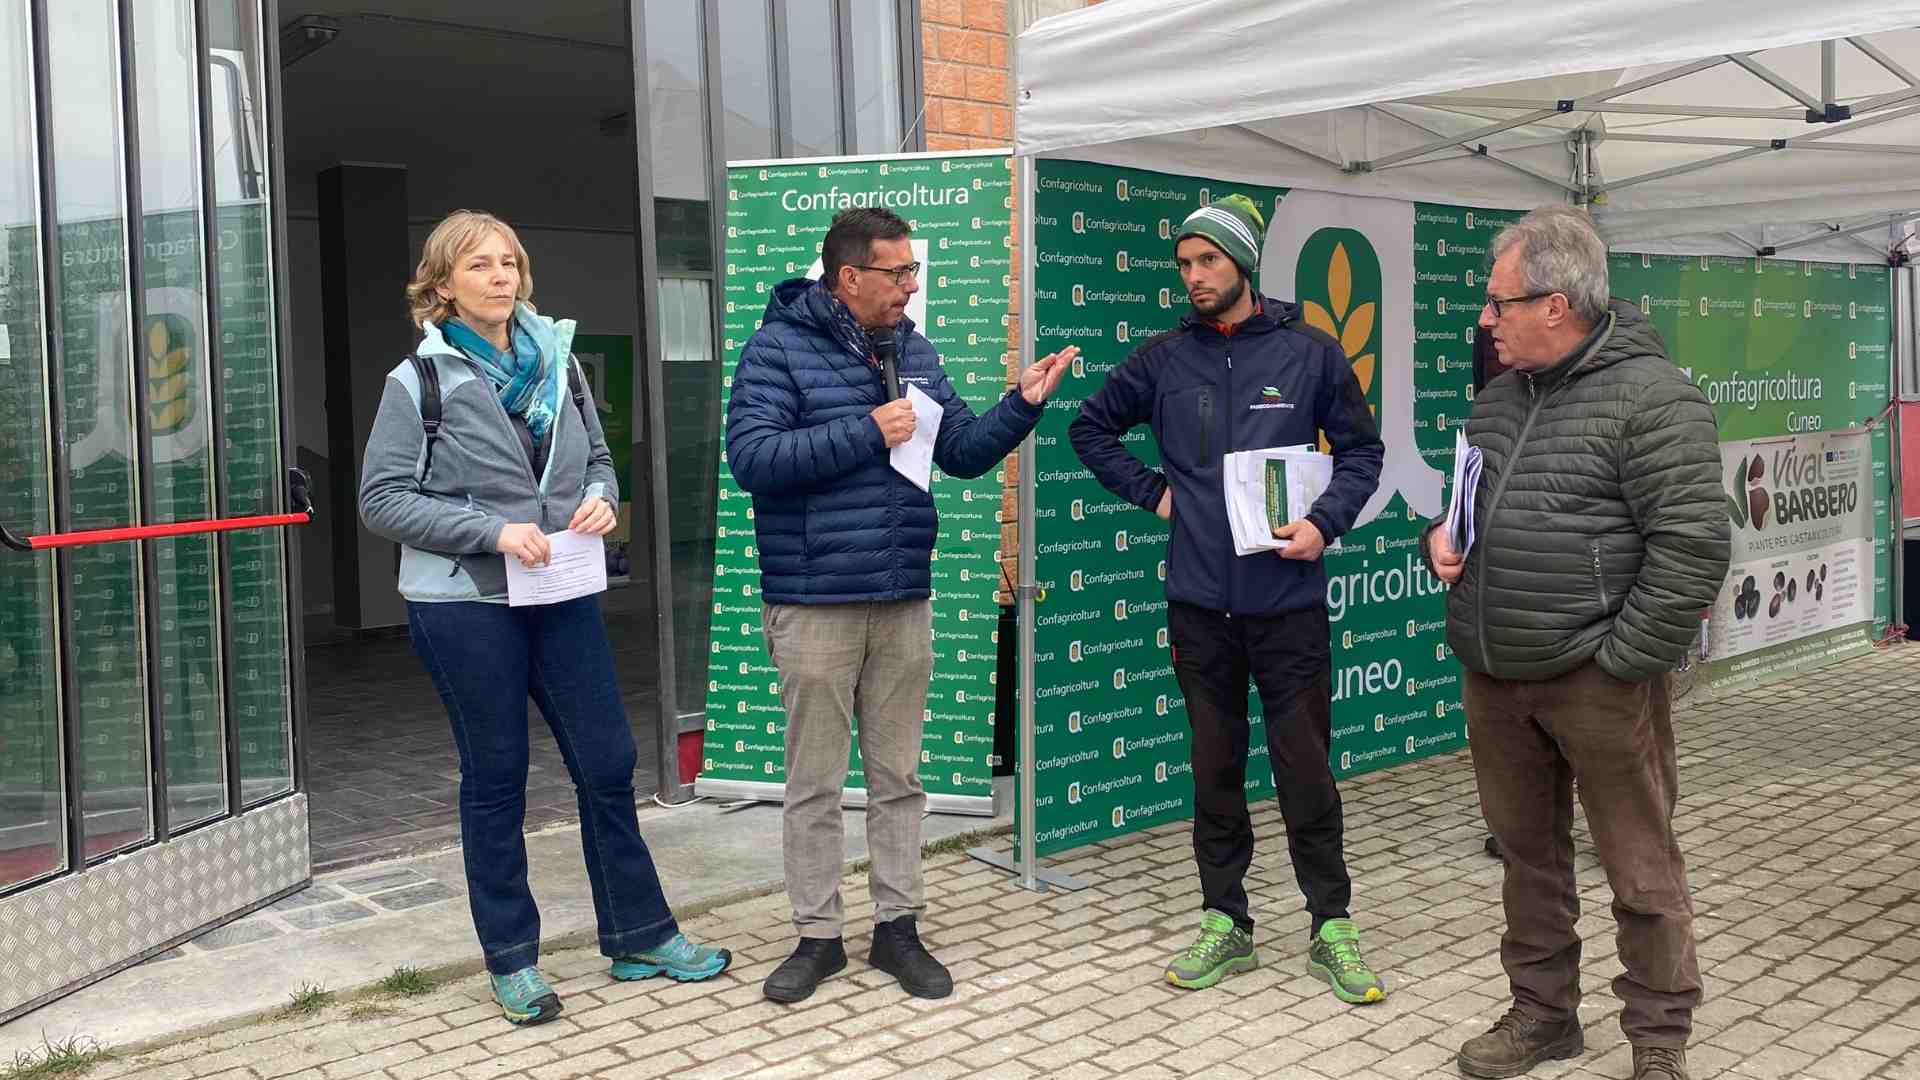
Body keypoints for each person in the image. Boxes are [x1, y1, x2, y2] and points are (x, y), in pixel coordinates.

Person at [360, 210, 730, 1027]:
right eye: (480, 265)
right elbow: (381, 499)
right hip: (465, 606)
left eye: (509, 262)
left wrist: (601, 499)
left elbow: (597, 459)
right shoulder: (417, 382)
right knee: (497, 777)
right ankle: (512, 961)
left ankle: (639, 935)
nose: (501, 276)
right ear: (442, 284)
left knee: (608, 761)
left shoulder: (559, 365)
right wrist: (490, 532)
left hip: (559, 591)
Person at [727, 207, 1074, 1004]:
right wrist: (865, 430)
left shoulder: (912, 349)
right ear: (850, 277)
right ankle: (818, 938)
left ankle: (898, 928)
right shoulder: (776, 347)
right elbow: (753, 459)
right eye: (898, 272)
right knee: (814, 782)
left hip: (901, 595)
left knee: (900, 777)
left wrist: (1021, 404)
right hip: (815, 598)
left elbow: (960, 453)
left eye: (913, 271)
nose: (911, 285)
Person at [1423, 205, 1729, 1080]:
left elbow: (1694, 545)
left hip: (1600, 681)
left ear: (1555, 305)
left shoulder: (1653, 397)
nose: (1487, 319)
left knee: (1640, 866)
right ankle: (1543, 1015)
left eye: (1500, 302)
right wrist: (1439, 540)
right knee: (1528, 860)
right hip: (1496, 672)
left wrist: (1622, 662)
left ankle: (1659, 1039)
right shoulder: (1497, 399)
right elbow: (1469, 511)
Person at [1068, 193, 1387, 1004]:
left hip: (1288, 604)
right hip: (1199, 605)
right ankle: (1225, 921)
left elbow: (1362, 453)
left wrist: (1323, 523)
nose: (1194, 276)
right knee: (1214, 770)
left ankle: (1332, 925)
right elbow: (1089, 429)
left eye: (1208, 260)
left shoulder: (1310, 352)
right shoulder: (1163, 359)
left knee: (1305, 769)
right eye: (1184, 263)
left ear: (1243, 263)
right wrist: (1154, 494)